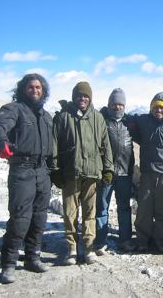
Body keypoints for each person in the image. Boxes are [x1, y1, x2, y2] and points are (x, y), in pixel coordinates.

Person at [0, 73, 53, 284]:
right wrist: (0, 142)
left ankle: (32, 257)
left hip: (42, 170)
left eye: (38, 88)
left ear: (43, 91)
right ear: (23, 90)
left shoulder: (45, 116)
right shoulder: (14, 109)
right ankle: (8, 264)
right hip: (22, 169)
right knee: (20, 218)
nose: (35, 91)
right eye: (31, 87)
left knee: (39, 217)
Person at [51, 81, 113, 265]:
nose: (82, 99)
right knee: (70, 213)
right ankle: (71, 249)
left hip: (92, 174)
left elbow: (105, 145)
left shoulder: (98, 118)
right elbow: (54, 145)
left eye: (86, 96)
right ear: (74, 97)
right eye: (79, 95)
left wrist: (108, 168)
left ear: (90, 98)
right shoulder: (63, 117)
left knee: (90, 213)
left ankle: (88, 248)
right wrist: (55, 170)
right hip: (70, 173)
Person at [128, 92, 163, 252]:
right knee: (144, 210)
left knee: (162, 211)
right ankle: (142, 241)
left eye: (162, 108)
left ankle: (161, 241)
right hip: (147, 174)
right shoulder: (144, 121)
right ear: (151, 108)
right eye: (156, 107)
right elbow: (129, 119)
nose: (158, 110)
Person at [95, 88, 135, 254]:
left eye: (120, 104)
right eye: (114, 104)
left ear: (124, 106)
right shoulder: (101, 121)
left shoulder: (130, 123)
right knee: (102, 207)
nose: (117, 107)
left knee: (124, 208)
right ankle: (100, 241)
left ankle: (125, 240)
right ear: (109, 104)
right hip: (106, 173)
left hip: (125, 172)